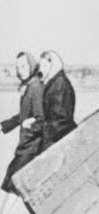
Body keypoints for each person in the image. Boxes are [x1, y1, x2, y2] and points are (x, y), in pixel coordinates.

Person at [1, 52, 44, 194]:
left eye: (24, 66)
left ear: (32, 65)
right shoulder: (29, 86)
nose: (20, 70)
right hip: (26, 147)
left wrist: (29, 125)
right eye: (18, 67)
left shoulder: (35, 87)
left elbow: (41, 119)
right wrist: (4, 126)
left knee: (14, 185)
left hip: (31, 149)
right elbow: (24, 115)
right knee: (13, 186)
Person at [38, 51, 77, 151]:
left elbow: (61, 119)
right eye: (40, 66)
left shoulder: (59, 84)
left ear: (52, 66)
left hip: (58, 140)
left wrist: (41, 128)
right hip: (56, 138)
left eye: (45, 66)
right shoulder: (55, 82)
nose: (41, 69)